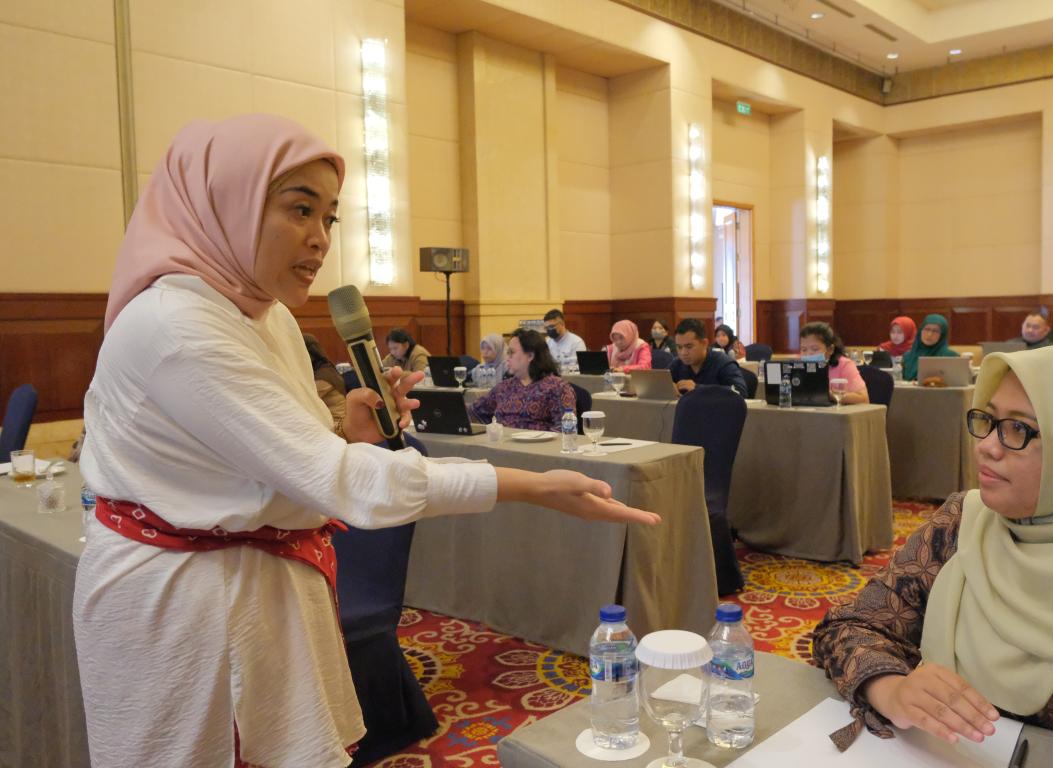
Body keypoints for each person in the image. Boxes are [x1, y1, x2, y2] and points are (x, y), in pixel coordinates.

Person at [73, 114, 658, 768]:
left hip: (255, 582)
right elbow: (341, 483)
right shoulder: (177, 323)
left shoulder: (264, 318)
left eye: (330, 219)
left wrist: (336, 432)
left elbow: (269, 458)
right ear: (224, 205)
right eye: (300, 210)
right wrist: (532, 484)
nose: (320, 240)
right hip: (183, 606)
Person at [812, 345, 1053, 755]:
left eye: (1019, 429)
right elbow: (851, 626)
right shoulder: (964, 521)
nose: (987, 446)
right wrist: (890, 689)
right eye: (988, 420)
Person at [468, 328, 577, 431]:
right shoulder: (504, 387)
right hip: (502, 446)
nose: (507, 358)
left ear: (530, 356)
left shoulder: (557, 388)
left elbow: (567, 430)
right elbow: (475, 411)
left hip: (537, 448)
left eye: (512, 353)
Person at [669, 318, 747, 397]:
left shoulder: (723, 363)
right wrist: (668, 387)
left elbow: (740, 392)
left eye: (689, 346)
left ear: (704, 344)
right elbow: (658, 386)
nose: (683, 353)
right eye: (679, 347)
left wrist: (699, 389)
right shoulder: (677, 364)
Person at [798, 322, 869, 405]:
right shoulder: (798, 367)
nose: (808, 354)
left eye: (815, 349)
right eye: (804, 349)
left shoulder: (844, 365)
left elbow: (864, 399)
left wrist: (830, 395)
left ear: (830, 349)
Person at [303, 332, 347, 429]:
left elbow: (302, 400)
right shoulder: (326, 369)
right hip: (330, 424)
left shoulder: (323, 377)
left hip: (337, 427)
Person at [901, 313, 959, 381]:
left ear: (942, 335)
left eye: (935, 331)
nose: (929, 334)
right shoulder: (907, 357)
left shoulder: (951, 357)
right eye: (927, 329)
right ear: (920, 331)